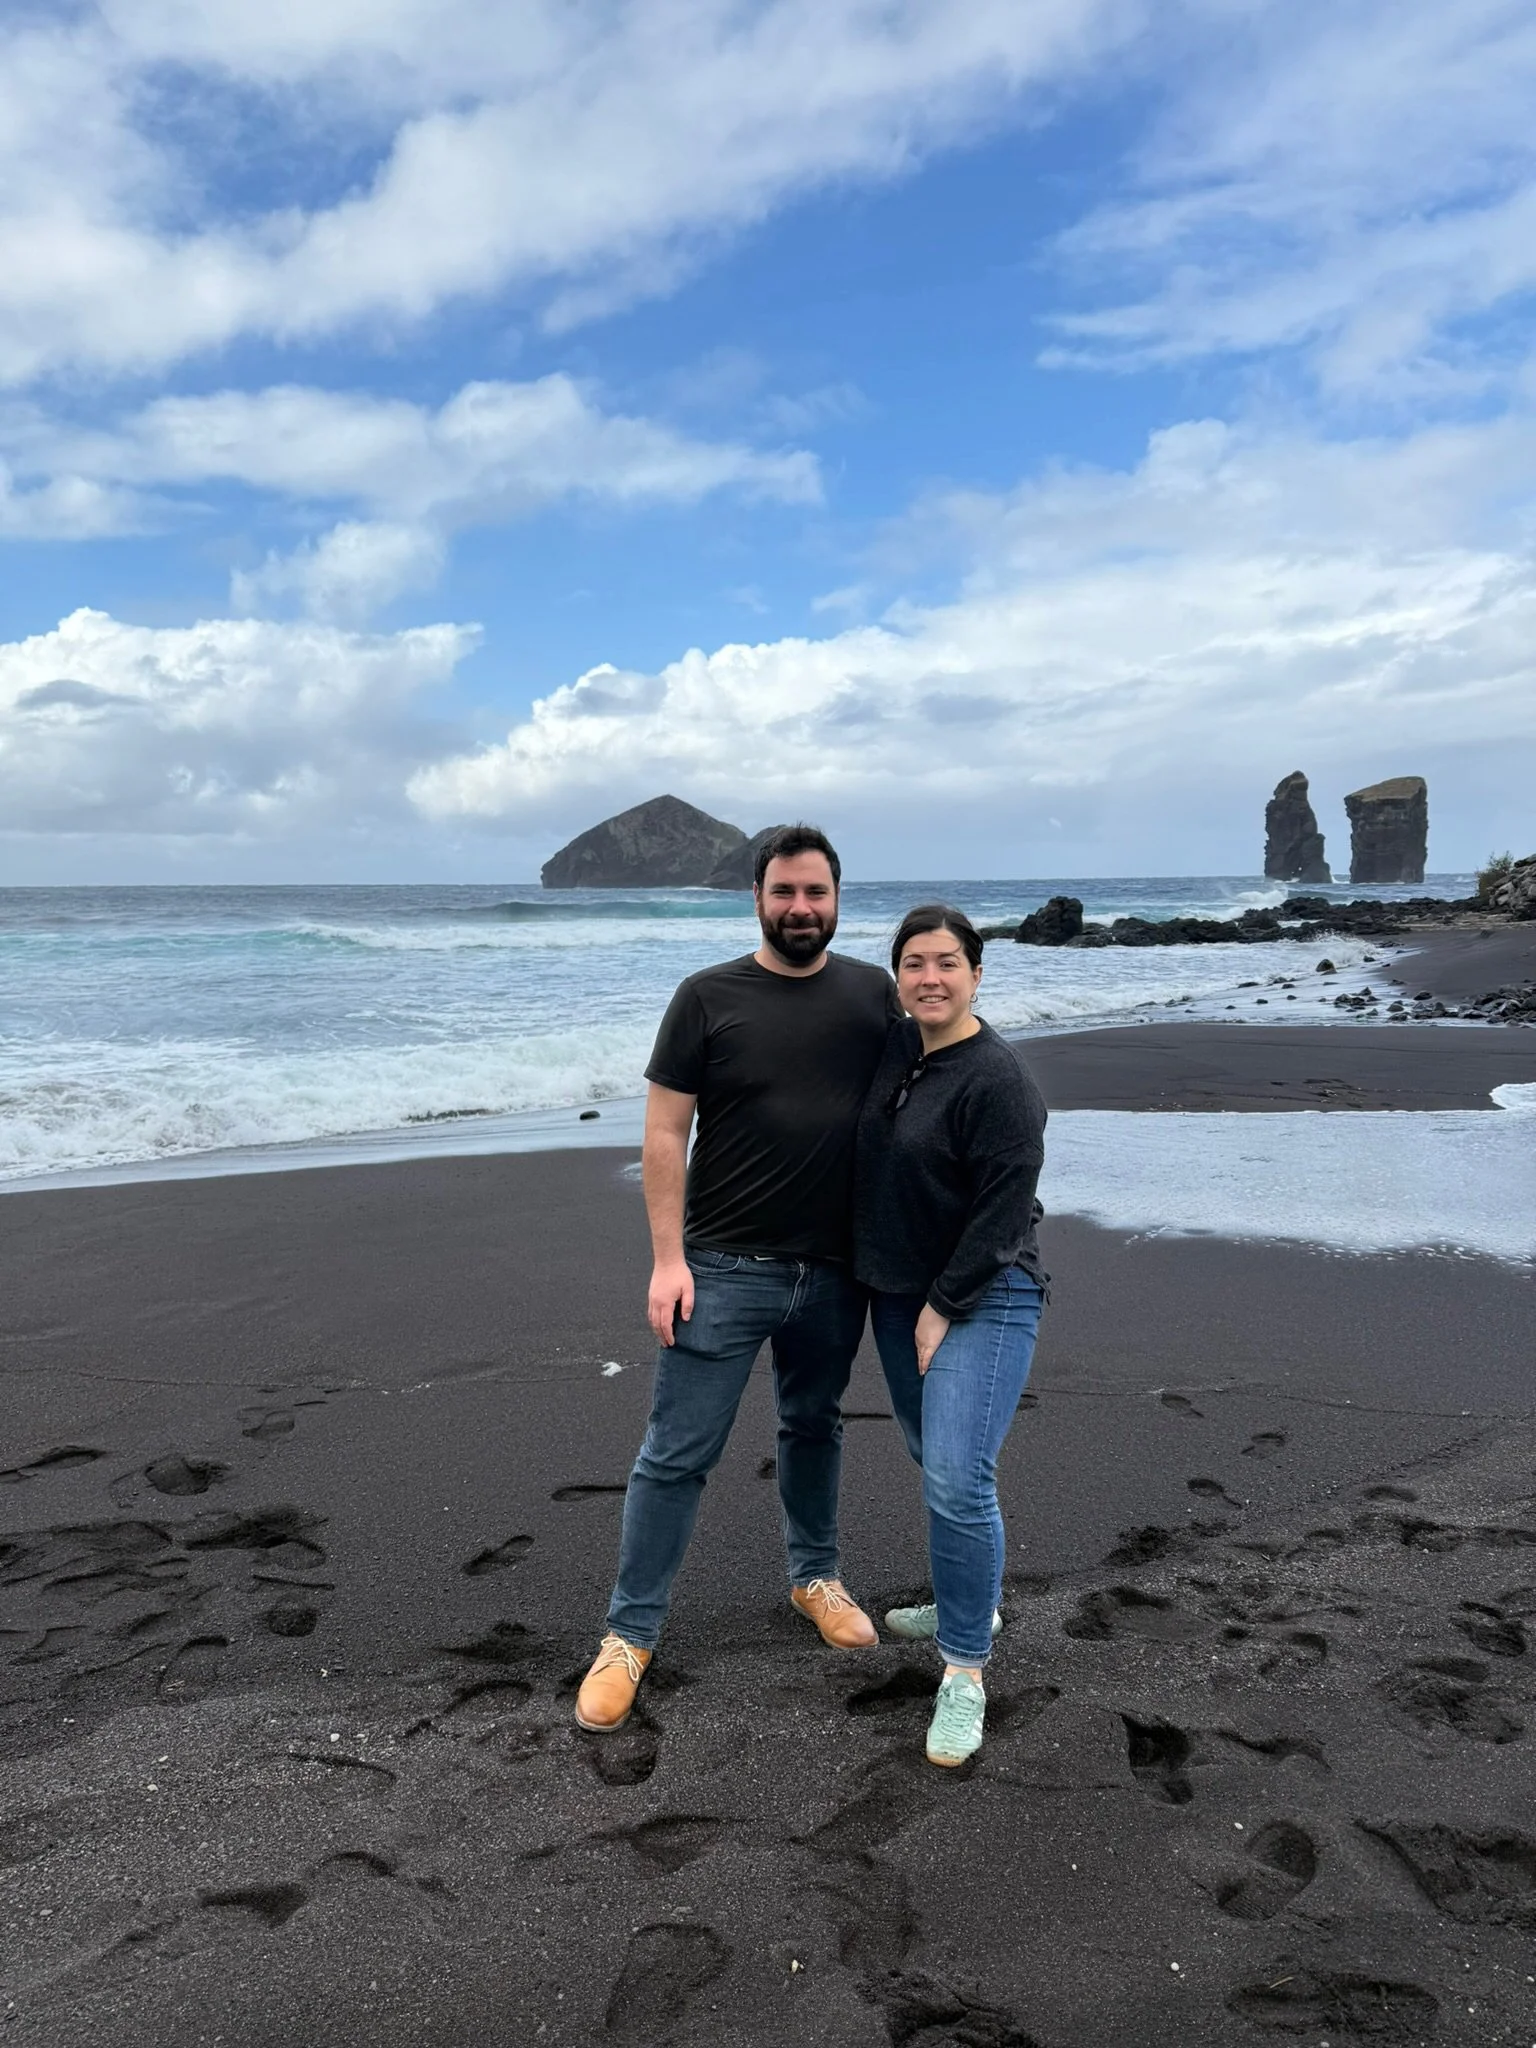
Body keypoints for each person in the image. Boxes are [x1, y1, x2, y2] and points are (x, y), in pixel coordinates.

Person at [575, 824, 902, 1733]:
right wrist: (667, 1259)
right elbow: (662, 1133)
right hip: (719, 1268)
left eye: (816, 892)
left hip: (834, 1273)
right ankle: (629, 1635)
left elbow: (922, 1096)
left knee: (814, 1425)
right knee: (676, 1455)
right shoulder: (706, 997)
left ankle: (815, 1579)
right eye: (784, 892)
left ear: (838, 900)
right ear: (756, 898)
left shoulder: (873, 997)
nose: (800, 908)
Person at [853, 904, 1047, 1768]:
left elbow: (1006, 1210)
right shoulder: (901, 1050)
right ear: (897, 975)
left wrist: (943, 1303)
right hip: (898, 1292)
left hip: (986, 1293)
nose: (929, 978)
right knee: (931, 1456)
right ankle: (970, 1598)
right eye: (914, 963)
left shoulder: (998, 1080)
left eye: (946, 963)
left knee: (960, 1477)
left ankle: (965, 1670)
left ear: (976, 973)